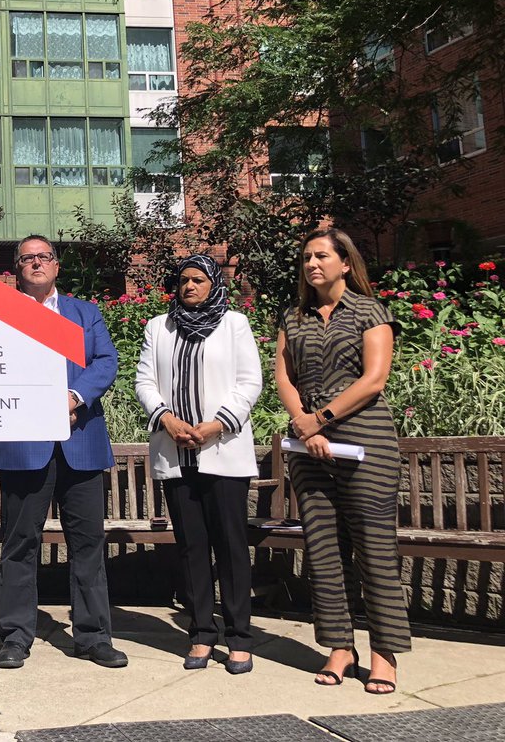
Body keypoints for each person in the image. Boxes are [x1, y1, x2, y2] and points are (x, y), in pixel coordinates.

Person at [275, 227, 409, 694]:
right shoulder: (293, 316)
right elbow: (284, 377)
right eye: (306, 258)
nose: (312, 264)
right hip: (308, 448)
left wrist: (322, 418)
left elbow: (374, 380)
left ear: (346, 263)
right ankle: (339, 647)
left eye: (322, 256)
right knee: (324, 550)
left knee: (375, 550)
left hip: (365, 444)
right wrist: (304, 424)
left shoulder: (371, 311)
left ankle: (384, 653)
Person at [0, 235, 126, 671]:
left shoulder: (85, 313)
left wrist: (72, 397)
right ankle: (15, 636)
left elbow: (106, 361)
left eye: (43, 256)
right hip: (23, 446)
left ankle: (94, 636)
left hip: (80, 442)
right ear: (17, 268)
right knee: (19, 544)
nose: (36, 263)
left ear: (56, 265)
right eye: (27, 258)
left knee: (88, 543)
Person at [134, 255, 263, 674]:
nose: (189, 286)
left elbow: (250, 382)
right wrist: (167, 419)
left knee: (230, 545)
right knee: (191, 547)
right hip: (176, 451)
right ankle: (202, 633)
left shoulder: (234, 324)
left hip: (221, 449)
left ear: (213, 284)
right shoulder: (160, 327)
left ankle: (239, 637)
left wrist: (217, 424)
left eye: (198, 279)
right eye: (183, 280)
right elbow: (144, 381)